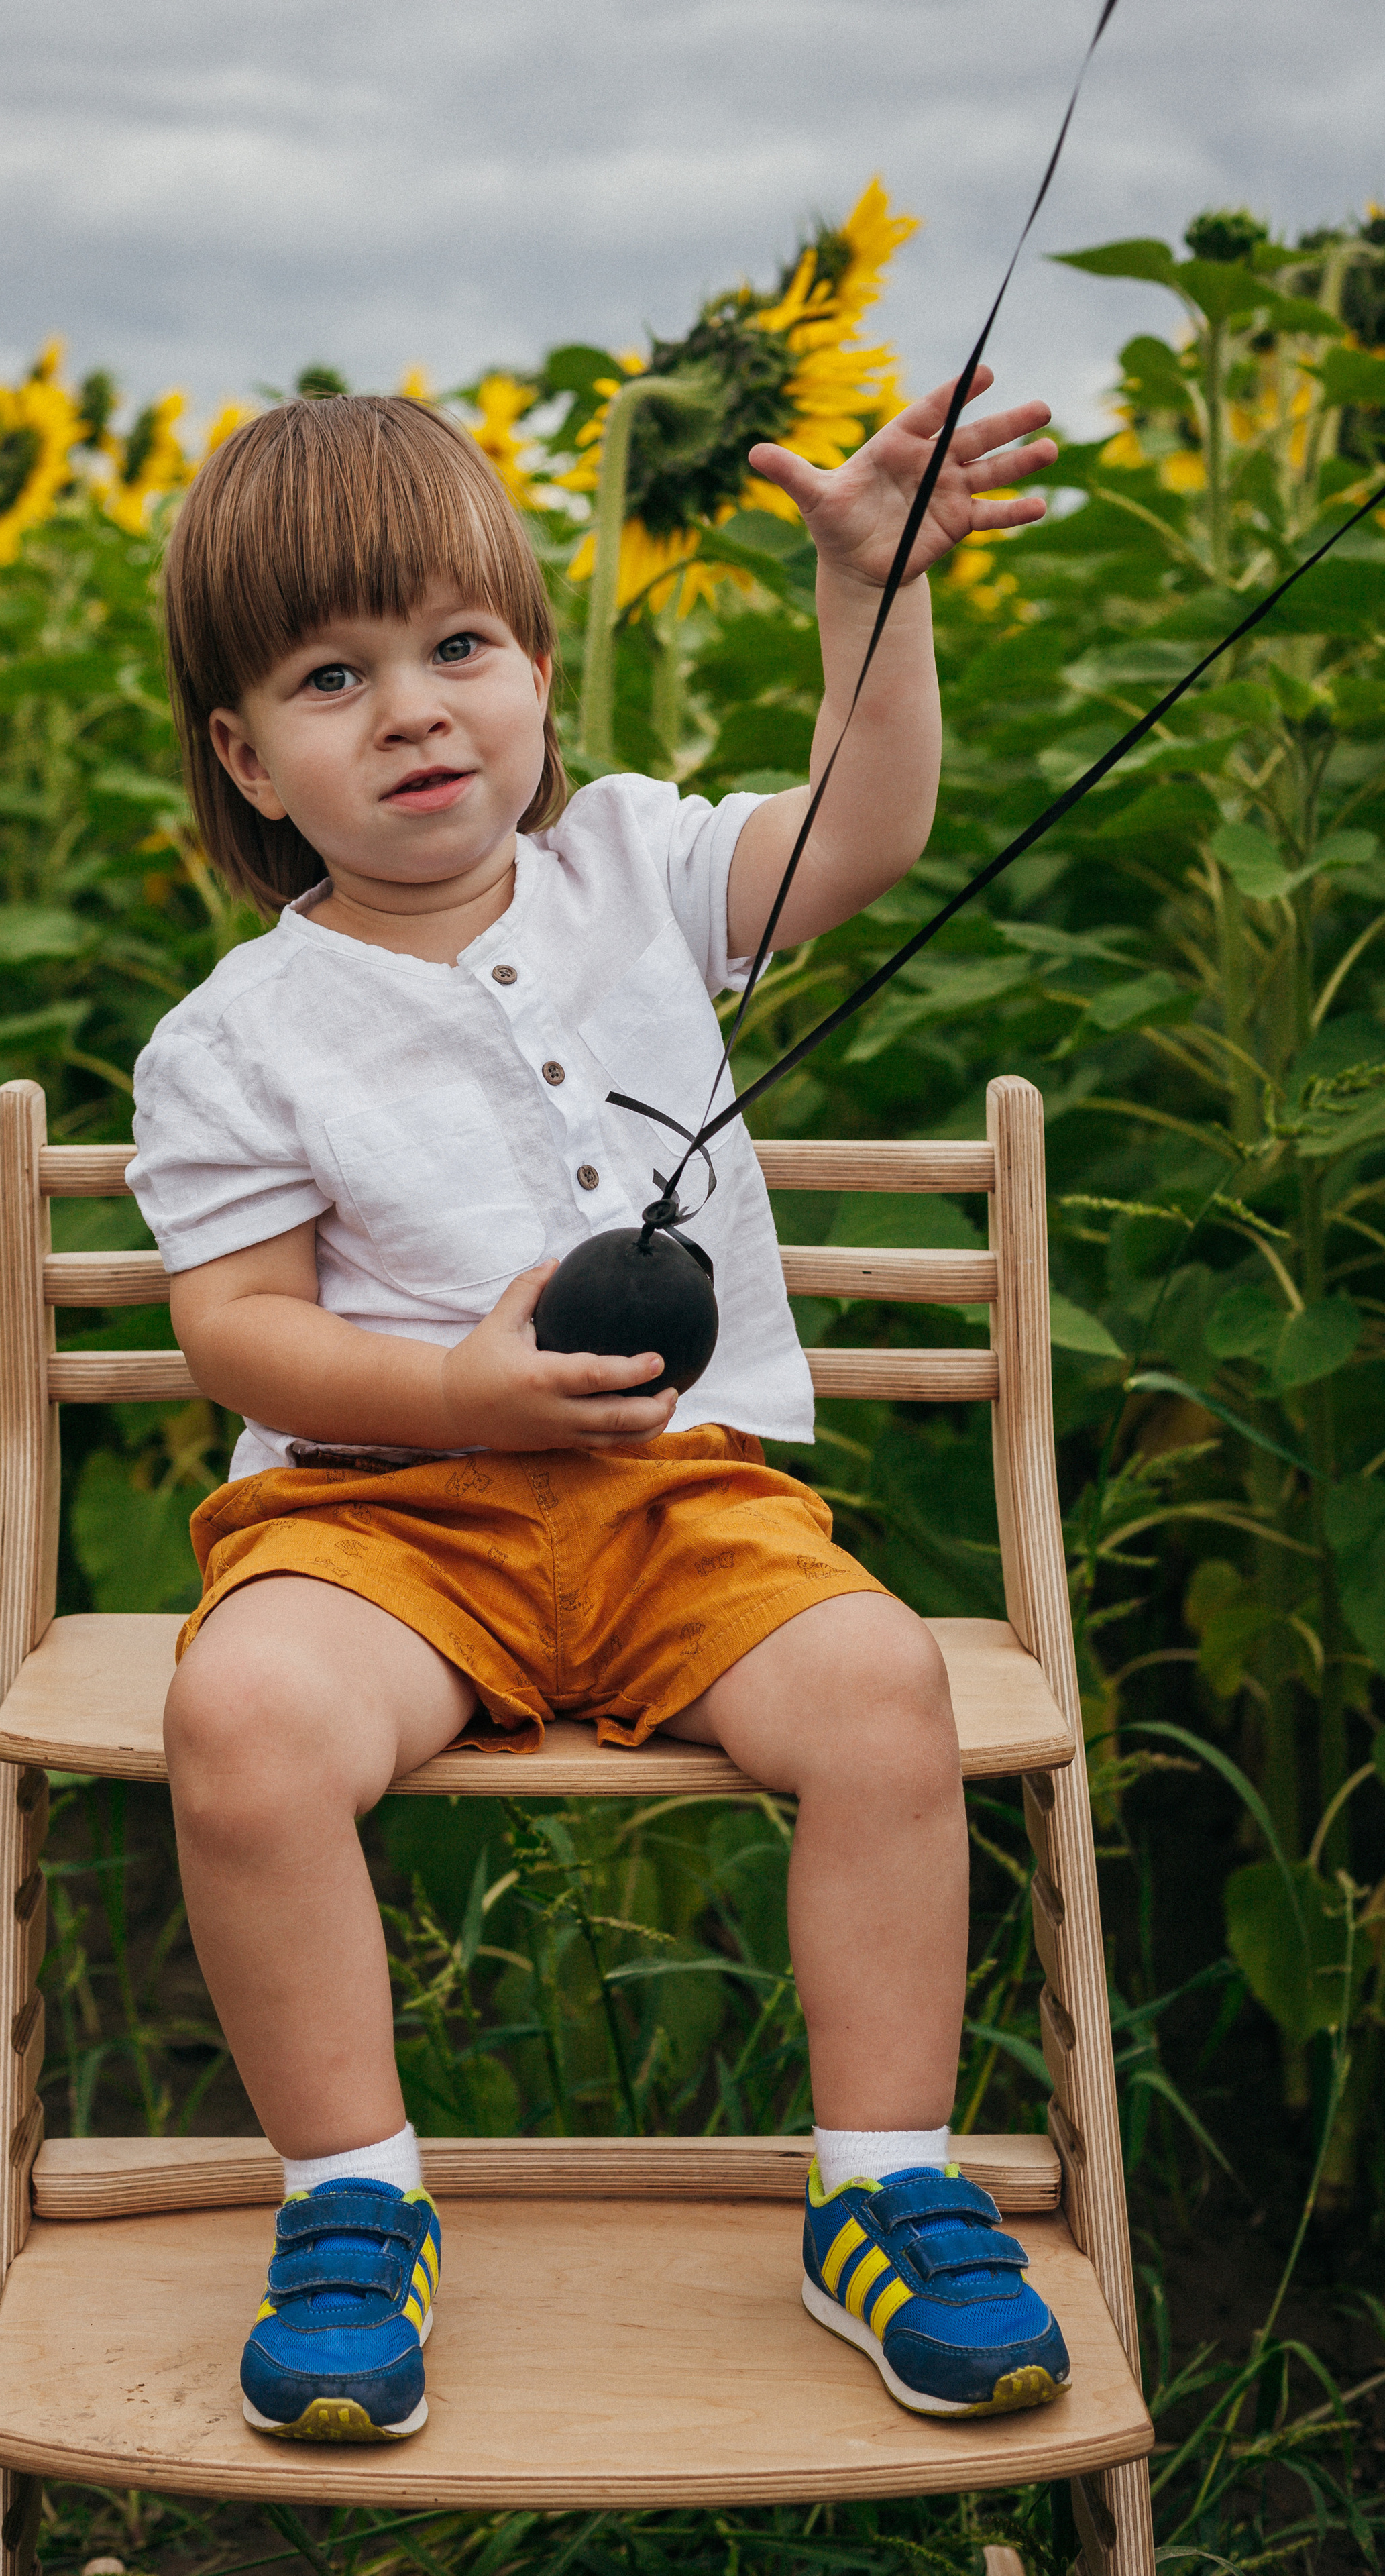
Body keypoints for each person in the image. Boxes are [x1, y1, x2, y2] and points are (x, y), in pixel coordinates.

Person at [127, 378, 1068, 2445]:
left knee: (885, 1697)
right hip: (383, 1521)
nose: (414, 712)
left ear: (540, 669)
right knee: (243, 1723)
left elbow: (872, 831)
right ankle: (353, 2203)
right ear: (244, 756)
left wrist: (868, 597)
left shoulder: (641, 876)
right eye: (329, 676)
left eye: (461, 647)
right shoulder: (238, 1033)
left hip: (679, 1497)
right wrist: (453, 1386)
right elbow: (243, 1337)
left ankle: (885, 2183)